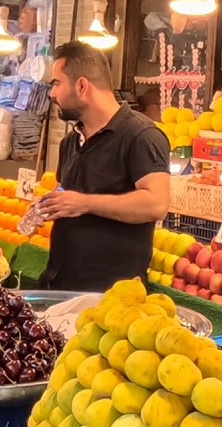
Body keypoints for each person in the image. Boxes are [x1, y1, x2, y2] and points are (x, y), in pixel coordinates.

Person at [37, 41, 171, 291]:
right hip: (60, 283)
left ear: (81, 85)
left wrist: (85, 203)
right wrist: (48, 206)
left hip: (110, 296)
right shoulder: (70, 140)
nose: (51, 93)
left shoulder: (141, 136)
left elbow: (156, 204)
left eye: (56, 83)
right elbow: (65, 194)